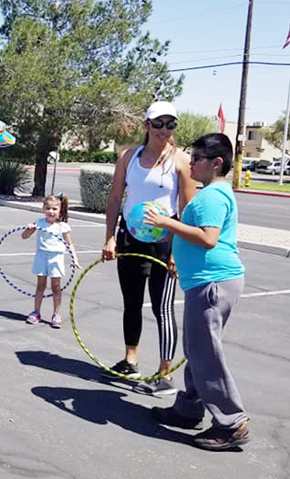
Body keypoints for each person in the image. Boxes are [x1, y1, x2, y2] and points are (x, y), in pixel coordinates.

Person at [144, 133, 249, 451]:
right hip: (207, 282)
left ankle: (231, 422)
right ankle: (189, 409)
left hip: (213, 284)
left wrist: (167, 223)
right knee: (198, 349)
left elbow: (208, 238)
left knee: (205, 353)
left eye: (198, 157)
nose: (190, 161)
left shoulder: (213, 196)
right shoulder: (212, 193)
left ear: (217, 163)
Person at [101, 101, 197, 396]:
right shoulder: (128, 157)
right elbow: (116, 198)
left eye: (170, 124)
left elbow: (188, 210)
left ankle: (165, 372)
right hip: (130, 240)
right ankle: (131, 360)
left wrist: (177, 253)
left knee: (162, 308)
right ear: (147, 125)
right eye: (158, 124)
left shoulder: (181, 161)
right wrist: (109, 237)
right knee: (131, 303)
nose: (164, 130)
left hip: (164, 244)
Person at [21, 194, 81, 329]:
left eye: (54, 209)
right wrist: (28, 229)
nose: (51, 211)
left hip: (56, 258)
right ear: (43, 209)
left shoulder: (63, 226)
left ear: (60, 210)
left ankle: (56, 314)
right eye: (48, 208)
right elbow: (24, 236)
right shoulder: (39, 223)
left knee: (56, 287)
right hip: (41, 257)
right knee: (40, 286)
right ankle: (36, 312)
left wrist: (75, 259)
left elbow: (70, 244)